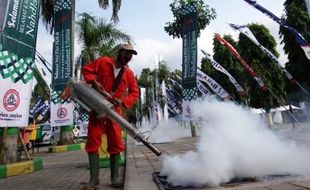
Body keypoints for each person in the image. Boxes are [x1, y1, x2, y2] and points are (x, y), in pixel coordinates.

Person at [81, 44, 139, 190]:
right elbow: (86, 70)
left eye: (131, 55)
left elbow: (134, 92)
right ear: (119, 52)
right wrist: (94, 82)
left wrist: (123, 101)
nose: (128, 57)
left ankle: (114, 179)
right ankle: (94, 180)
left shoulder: (129, 74)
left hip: (115, 111)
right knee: (93, 140)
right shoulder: (103, 62)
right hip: (97, 106)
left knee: (116, 142)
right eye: (126, 54)